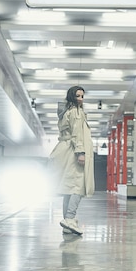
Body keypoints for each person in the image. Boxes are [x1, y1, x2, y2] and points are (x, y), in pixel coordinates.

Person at [49, 85, 95, 235]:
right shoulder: (76, 112)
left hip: (64, 149)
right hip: (73, 151)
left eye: (82, 96)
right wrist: (80, 152)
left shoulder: (65, 112)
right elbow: (77, 134)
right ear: (71, 97)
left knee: (68, 188)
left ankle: (67, 222)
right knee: (78, 186)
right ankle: (69, 218)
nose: (81, 99)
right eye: (78, 96)